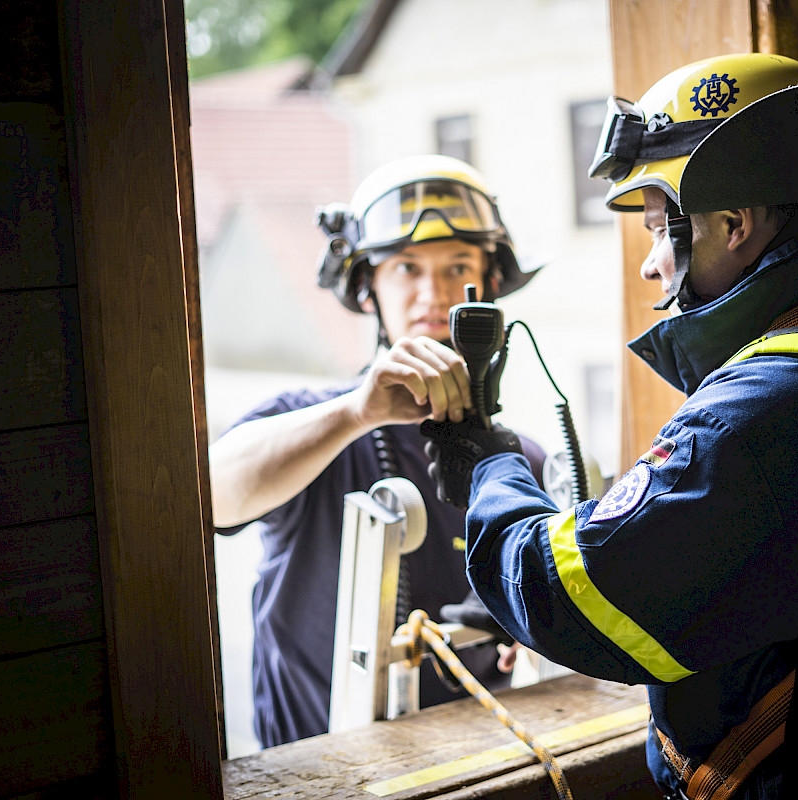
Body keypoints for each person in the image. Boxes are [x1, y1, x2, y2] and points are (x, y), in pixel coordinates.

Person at [420, 54, 798, 798]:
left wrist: (489, 470)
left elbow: (574, 593)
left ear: (732, 223)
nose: (651, 267)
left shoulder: (766, 414)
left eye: (660, 228)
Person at [210, 154, 546, 749]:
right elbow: (212, 496)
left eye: (458, 266)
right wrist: (355, 414)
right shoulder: (313, 425)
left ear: (489, 286)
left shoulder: (524, 464)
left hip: (475, 774)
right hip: (314, 780)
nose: (433, 293)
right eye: (406, 268)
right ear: (368, 289)